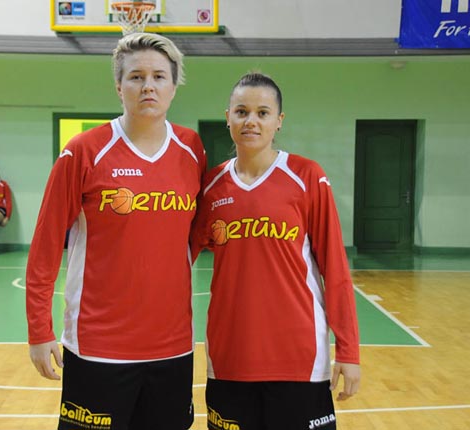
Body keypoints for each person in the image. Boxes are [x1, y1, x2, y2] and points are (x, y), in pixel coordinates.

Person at [26, 32, 206, 430]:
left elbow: (192, 236)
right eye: (136, 77)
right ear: (119, 87)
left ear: (174, 86)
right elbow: (45, 246)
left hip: (173, 346)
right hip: (98, 345)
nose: (148, 86)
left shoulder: (192, 149)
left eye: (159, 77)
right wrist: (39, 330)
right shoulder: (84, 150)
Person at [191, 72, 361, 430]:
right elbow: (175, 260)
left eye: (263, 113)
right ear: (228, 117)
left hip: (298, 358)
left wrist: (348, 350)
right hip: (230, 357)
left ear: (278, 121)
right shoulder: (212, 187)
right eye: (242, 112)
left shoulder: (306, 176)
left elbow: (335, 269)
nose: (251, 121)